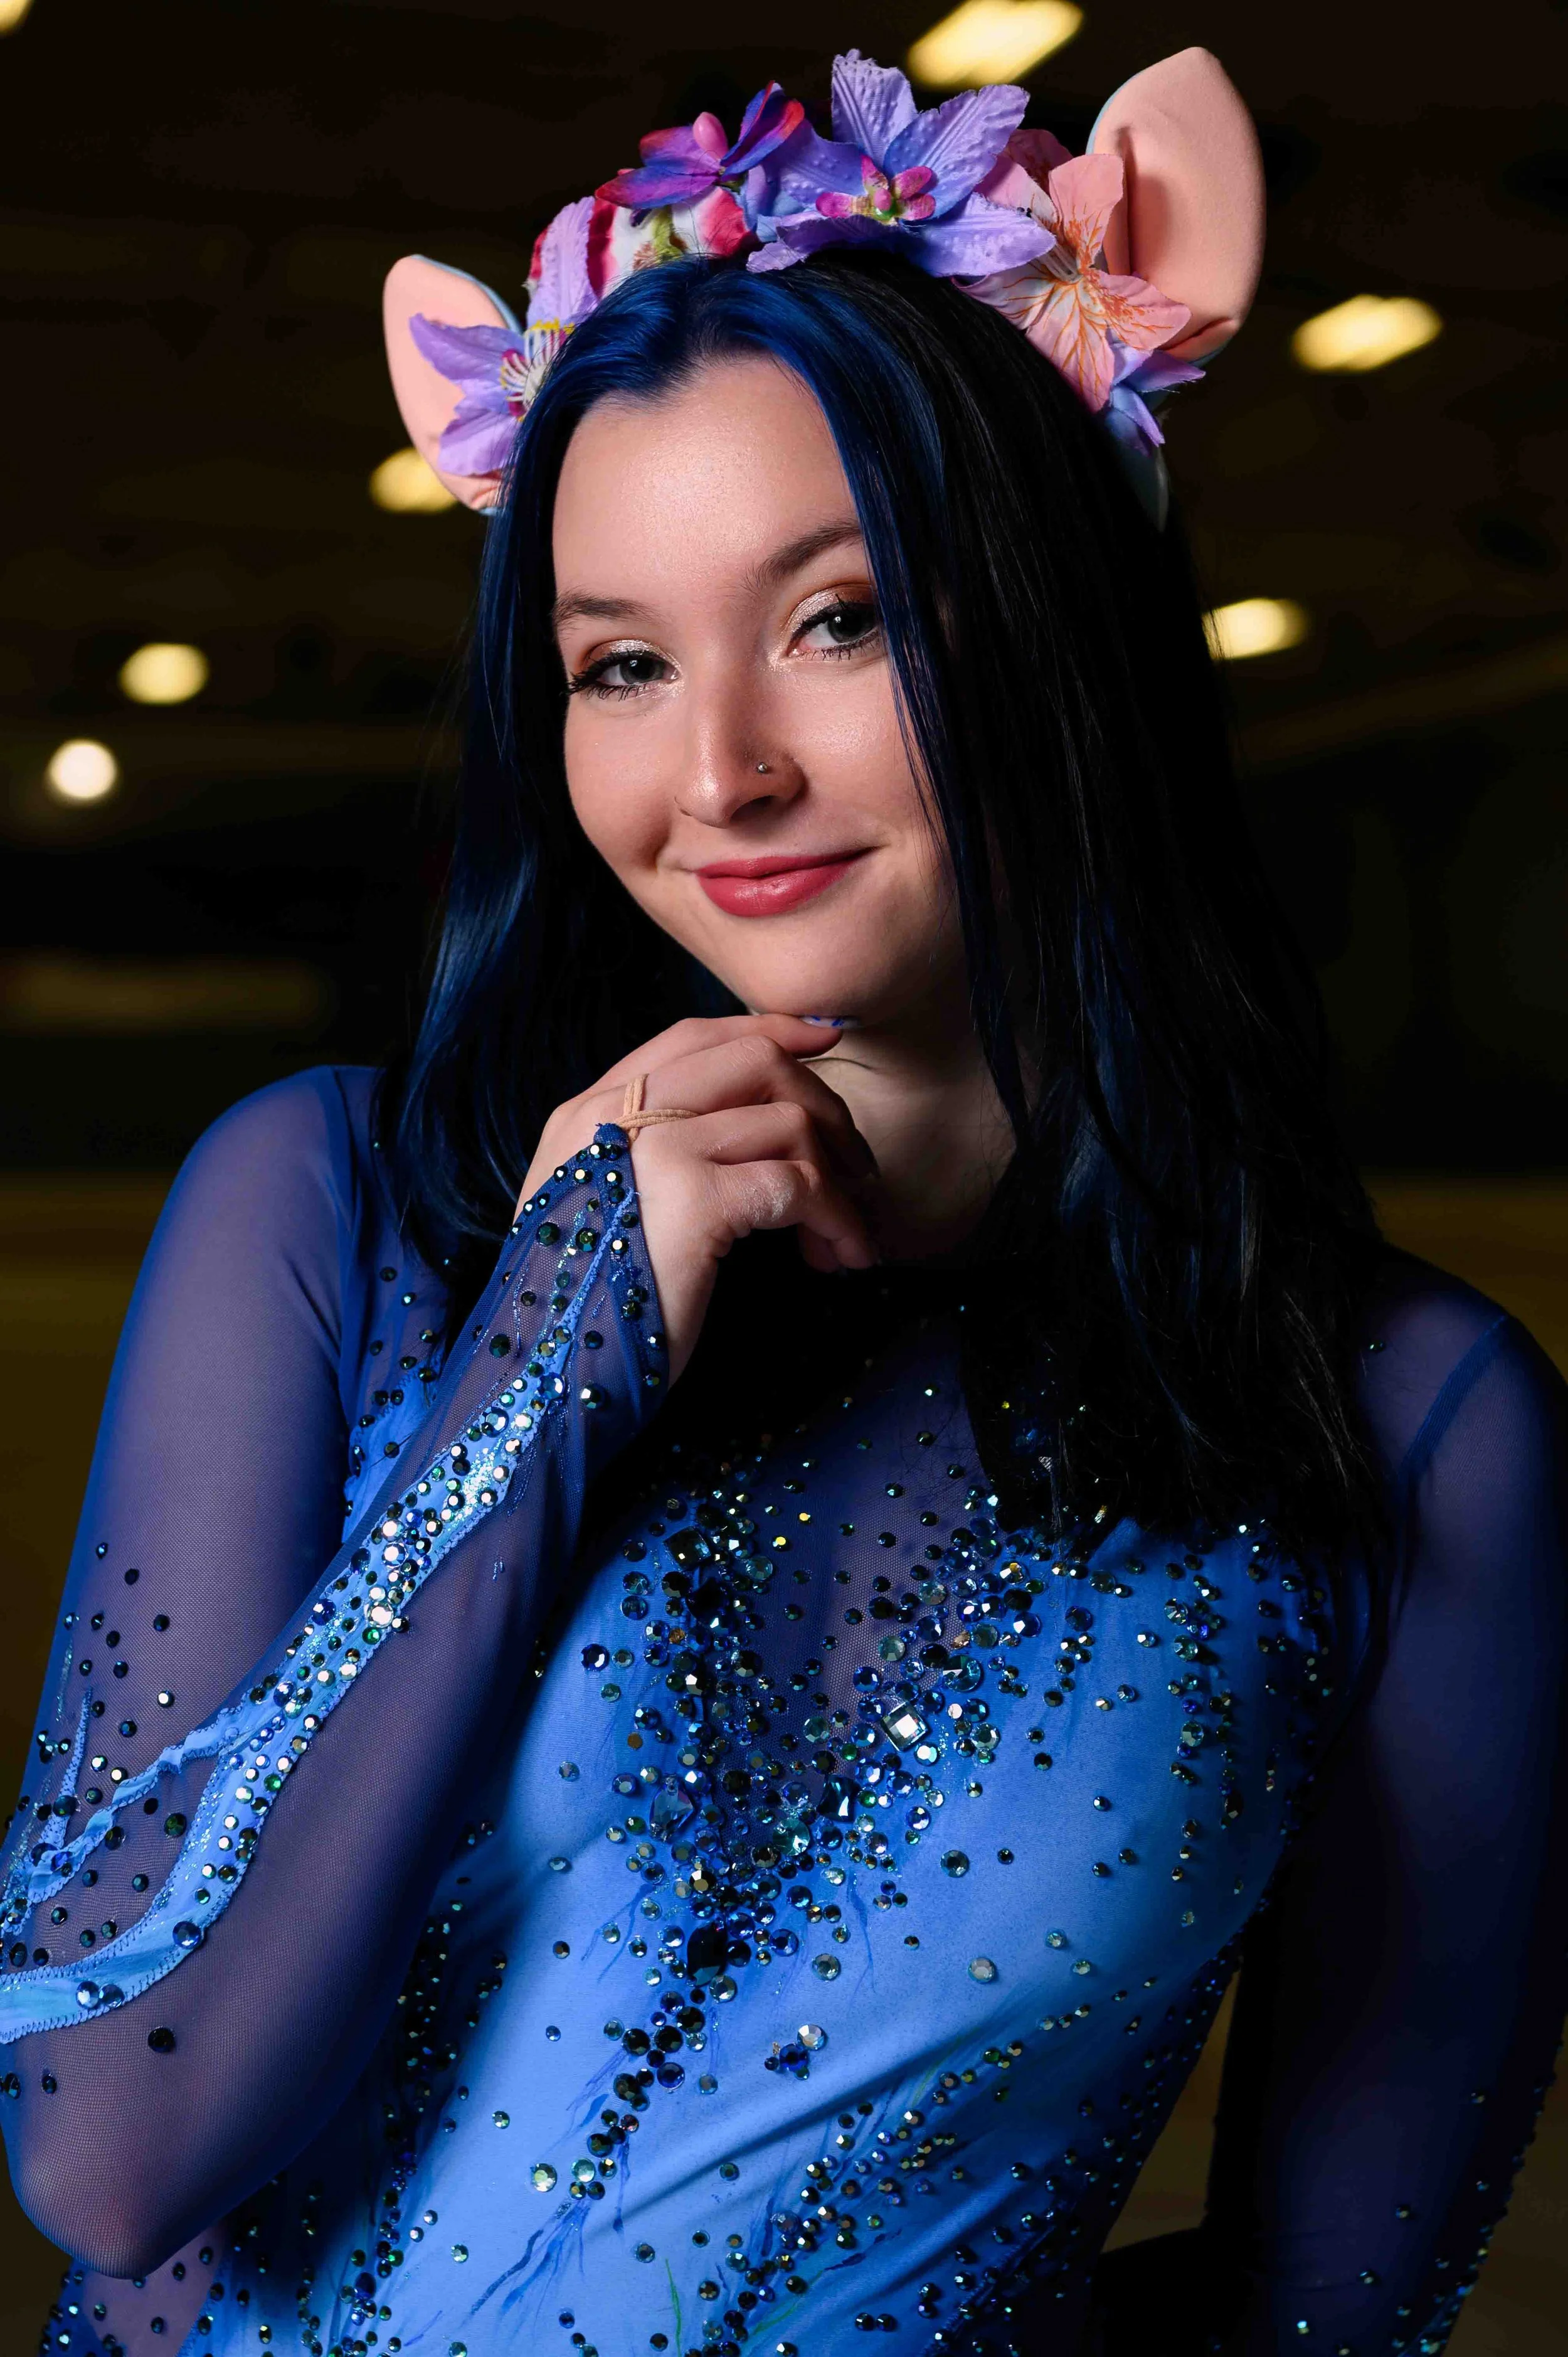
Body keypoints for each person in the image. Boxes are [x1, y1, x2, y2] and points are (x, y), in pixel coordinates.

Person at [3, 46, 1565, 2357]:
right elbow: (114, 2143)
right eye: (620, 661)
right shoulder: (334, 1209)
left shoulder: (1407, 1424)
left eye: (839, 619)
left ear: (1059, 625)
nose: (716, 766)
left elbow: (1332, 2307)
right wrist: (542, 1377)